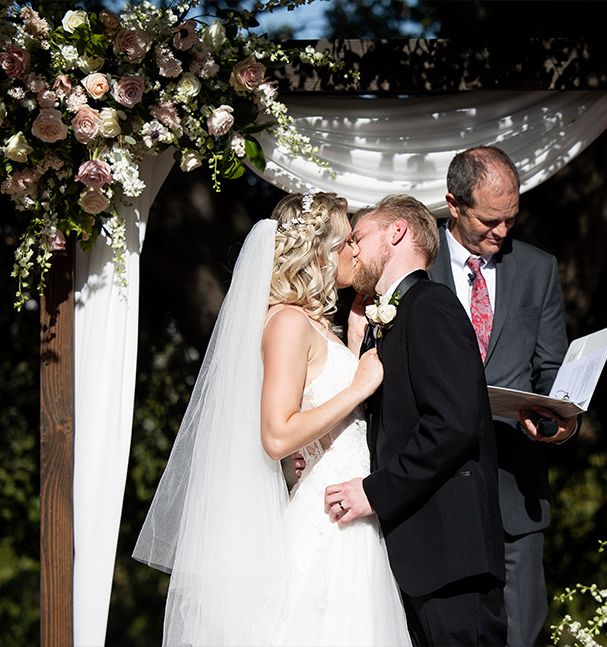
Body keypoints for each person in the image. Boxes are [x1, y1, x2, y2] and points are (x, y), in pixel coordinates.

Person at [133, 192, 411, 646]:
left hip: (351, 511)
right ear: (319, 252)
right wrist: (360, 386)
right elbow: (277, 434)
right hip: (328, 523)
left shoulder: (315, 322)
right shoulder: (286, 322)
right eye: (346, 243)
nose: (355, 251)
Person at [324, 194, 507, 646]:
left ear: (397, 232)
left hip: (451, 557)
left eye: (358, 237)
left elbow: (454, 423)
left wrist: (374, 492)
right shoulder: (388, 318)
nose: (350, 249)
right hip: (418, 558)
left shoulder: (431, 305)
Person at [431, 145, 578, 647]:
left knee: (520, 633)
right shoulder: (414, 263)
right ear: (453, 204)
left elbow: (552, 368)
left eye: (511, 219)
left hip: (516, 482)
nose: (502, 232)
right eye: (490, 221)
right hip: (432, 485)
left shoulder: (538, 268)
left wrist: (559, 418)